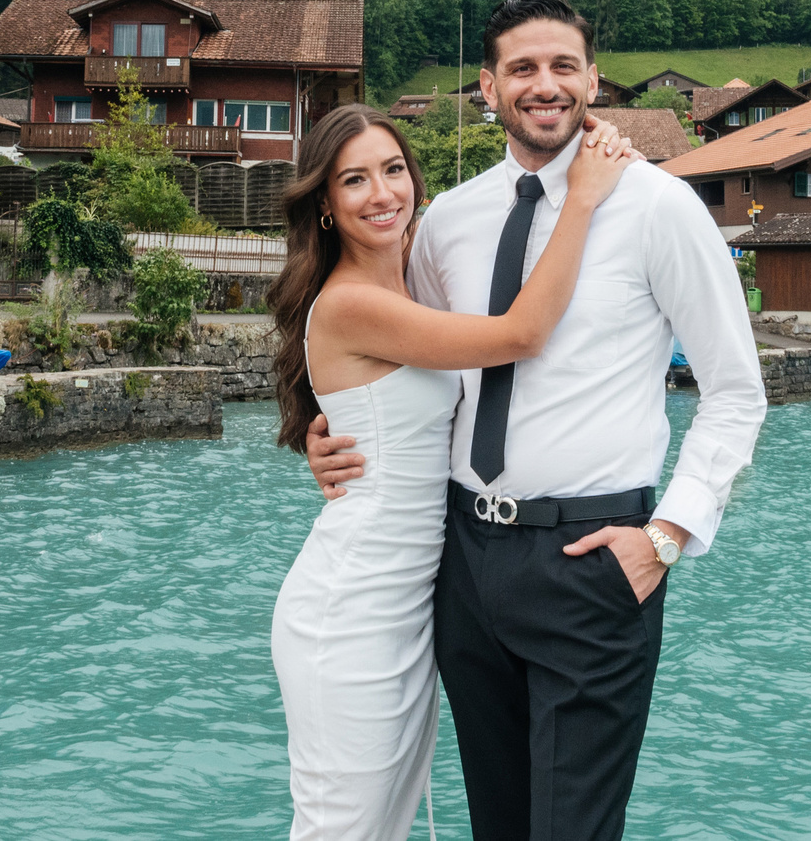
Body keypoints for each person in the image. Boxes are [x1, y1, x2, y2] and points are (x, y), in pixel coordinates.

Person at [306, 0, 767, 840]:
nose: (544, 84)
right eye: (523, 67)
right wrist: (331, 429)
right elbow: (411, 358)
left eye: (563, 66)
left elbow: (737, 389)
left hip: (592, 561)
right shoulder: (447, 221)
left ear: (593, 79)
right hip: (463, 561)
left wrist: (668, 534)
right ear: (489, 87)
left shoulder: (659, 206)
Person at [270, 101, 641, 841]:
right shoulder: (351, 303)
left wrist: (328, 433)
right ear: (323, 205)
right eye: (354, 180)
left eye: (393, 169)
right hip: (355, 608)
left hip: (412, 605)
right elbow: (522, 333)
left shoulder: (407, 281)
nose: (382, 193)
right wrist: (585, 198)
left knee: (382, 827)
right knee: (341, 828)